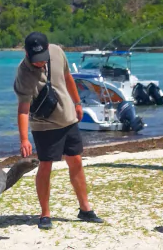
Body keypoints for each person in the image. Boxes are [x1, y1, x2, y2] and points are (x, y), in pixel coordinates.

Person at [14, 31, 102, 230]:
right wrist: (24, 139)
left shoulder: (57, 52)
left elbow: (67, 76)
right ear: (27, 54)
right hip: (44, 125)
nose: (40, 63)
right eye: (35, 60)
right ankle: (45, 213)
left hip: (68, 118)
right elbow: (23, 108)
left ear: (47, 50)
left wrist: (77, 103)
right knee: (45, 166)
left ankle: (85, 208)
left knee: (76, 161)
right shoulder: (23, 73)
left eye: (42, 59)